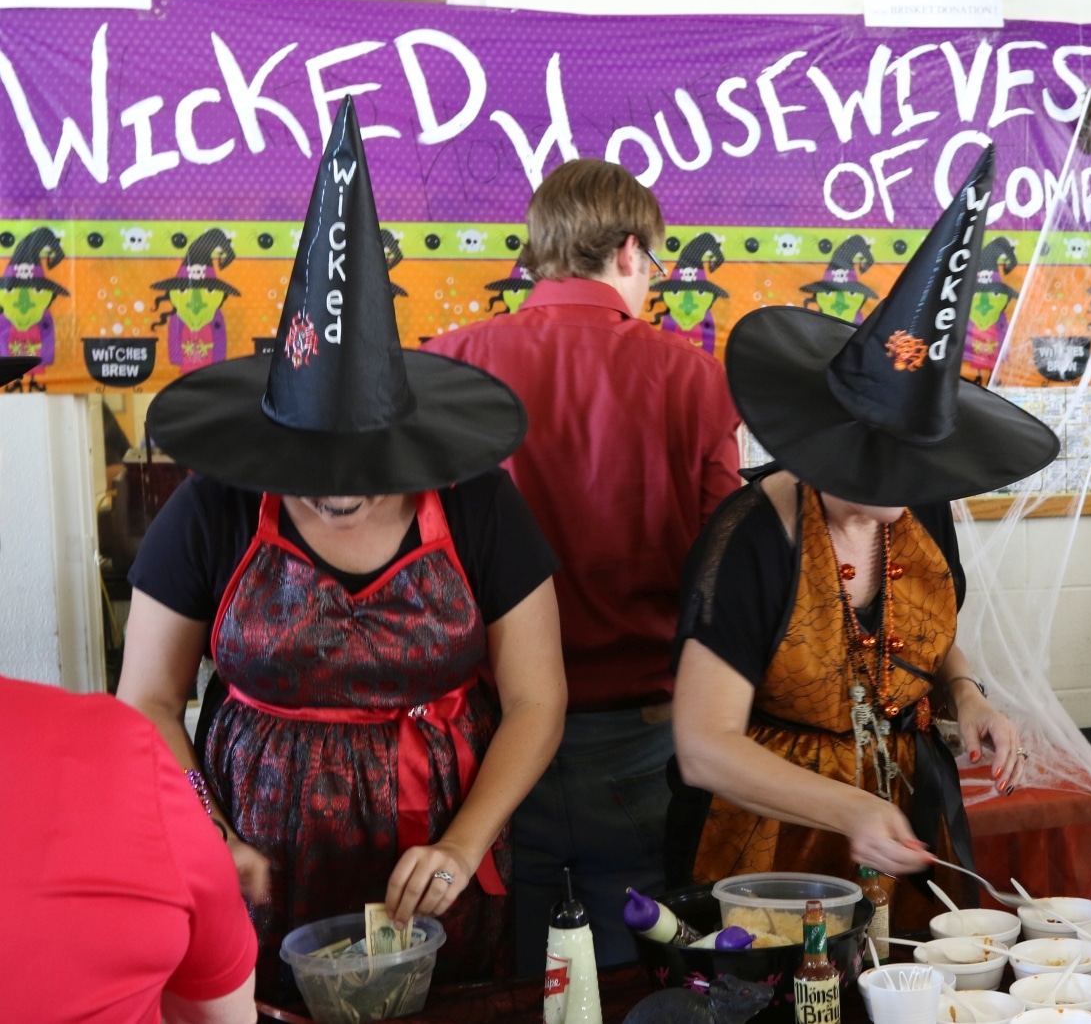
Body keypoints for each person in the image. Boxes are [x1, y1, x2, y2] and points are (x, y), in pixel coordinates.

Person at [117, 98, 566, 992]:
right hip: (254, 866)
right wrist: (209, 834)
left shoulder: (479, 506)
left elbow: (536, 698)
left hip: (437, 857)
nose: (337, 495)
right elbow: (149, 700)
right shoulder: (214, 510)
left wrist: (462, 843)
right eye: (307, 471)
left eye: (364, 471)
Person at [668, 147, 1060, 929]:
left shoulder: (918, 507)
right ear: (829, 441)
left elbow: (920, 636)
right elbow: (704, 745)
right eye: (889, 463)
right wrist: (848, 805)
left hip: (902, 818)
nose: (910, 485)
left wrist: (966, 694)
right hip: (766, 851)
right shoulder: (751, 538)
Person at [424, 158, 741, 969]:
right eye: (654, 262)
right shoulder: (695, 377)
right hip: (642, 734)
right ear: (630, 251)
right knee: (646, 963)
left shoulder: (447, 365)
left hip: (488, 737)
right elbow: (725, 561)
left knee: (509, 972)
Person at [0, 355, 258, 1024]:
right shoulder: (118, 758)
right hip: (240, 856)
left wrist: (462, 844)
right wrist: (211, 825)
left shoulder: (114, 759)